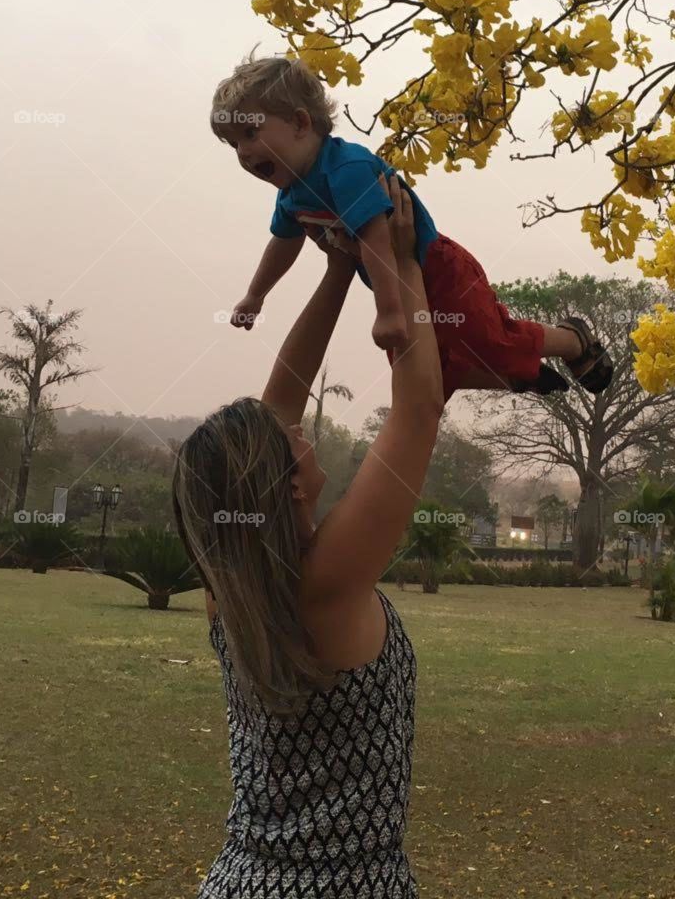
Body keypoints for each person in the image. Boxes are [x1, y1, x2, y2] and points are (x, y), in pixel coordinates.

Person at [173, 176, 441, 898]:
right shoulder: (326, 585)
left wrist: (339, 270)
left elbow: (280, 400)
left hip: (243, 881)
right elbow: (417, 413)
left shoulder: (230, 585)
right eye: (292, 439)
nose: (298, 428)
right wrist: (401, 269)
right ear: (291, 487)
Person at [210, 52, 614, 403]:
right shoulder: (292, 194)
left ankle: (571, 340)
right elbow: (283, 243)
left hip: (438, 269)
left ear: (300, 122)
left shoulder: (347, 169)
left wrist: (388, 312)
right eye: (233, 144)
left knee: (489, 337)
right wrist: (255, 295)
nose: (243, 152)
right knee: (419, 372)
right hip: (396, 285)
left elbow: (377, 239)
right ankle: (513, 376)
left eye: (250, 133)